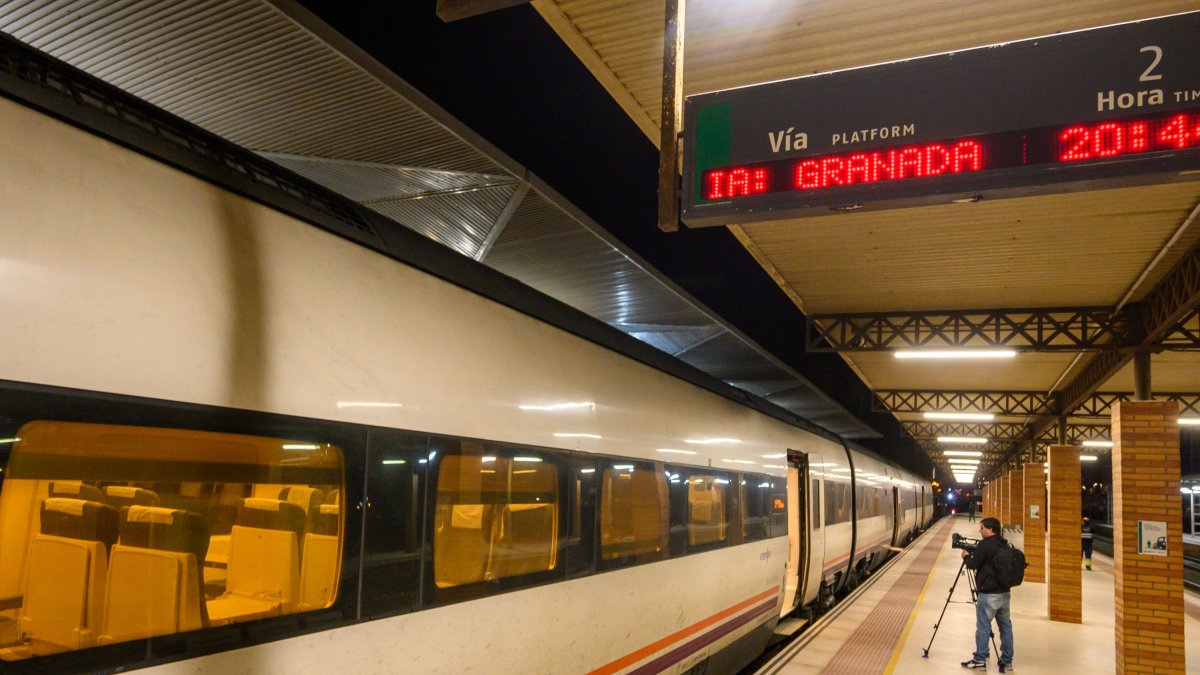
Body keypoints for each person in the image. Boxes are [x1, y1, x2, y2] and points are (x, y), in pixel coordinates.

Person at [961, 517, 1014, 670]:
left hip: (989, 593)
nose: (980, 530)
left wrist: (966, 557)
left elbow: (973, 564)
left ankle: (979, 659)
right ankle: (1007, 660)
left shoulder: (985, 545)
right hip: (1004, 593)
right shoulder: (1004, 544)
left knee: (983, 626)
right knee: (1005, 626)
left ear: (990, 530)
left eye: (982, 528)